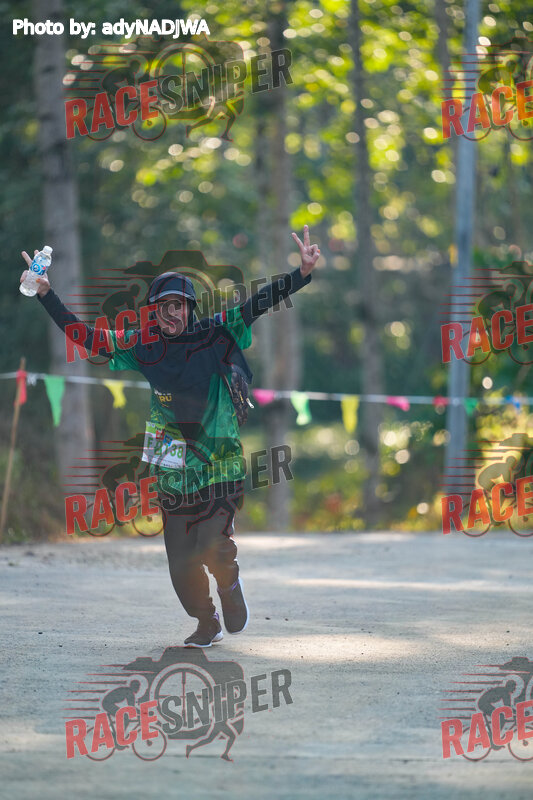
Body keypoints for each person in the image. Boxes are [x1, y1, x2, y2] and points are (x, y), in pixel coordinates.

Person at [21, 225, 320, 647]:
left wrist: (301, 274)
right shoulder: (143, 345)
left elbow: (258, 302)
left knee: (212, 543)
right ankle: (206, 621)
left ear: (189, 308)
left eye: (178, 306)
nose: (171, 314)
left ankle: (229, 584)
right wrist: (46, 294)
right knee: (180, 562)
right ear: (154, 313)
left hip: (219, 464)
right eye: (163, 308)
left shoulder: (216, 333)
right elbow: (88, 338)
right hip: (172, 468)